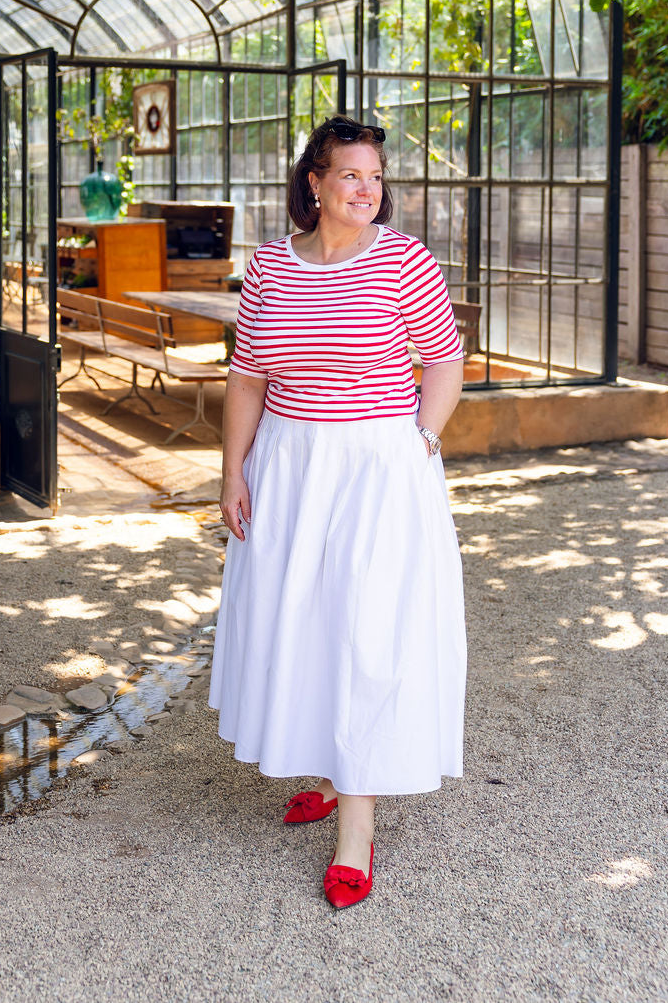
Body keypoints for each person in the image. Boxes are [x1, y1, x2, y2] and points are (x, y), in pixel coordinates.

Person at [210, 115, 466, 910]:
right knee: (310, 622)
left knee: (365, 631)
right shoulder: (269, 268)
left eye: (376, 176)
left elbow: (446, 359)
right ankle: (329, 769)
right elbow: (249, 378)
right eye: (350, 174)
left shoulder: (402, 260)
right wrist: (232, 473)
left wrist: (421, 438)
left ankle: (356, 829)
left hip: (376, 466)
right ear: (314, 183)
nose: (367, 188)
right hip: (288, 465)